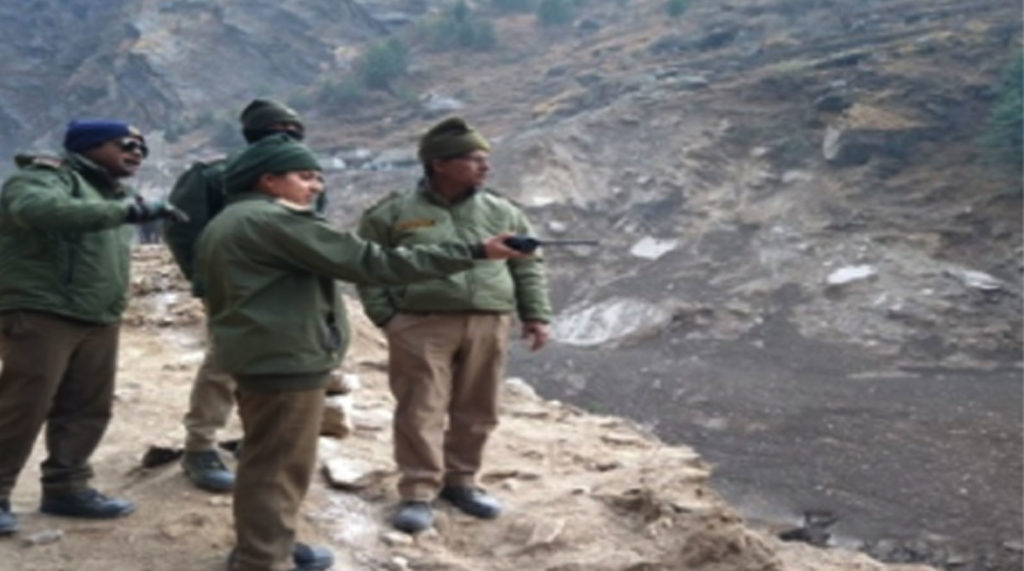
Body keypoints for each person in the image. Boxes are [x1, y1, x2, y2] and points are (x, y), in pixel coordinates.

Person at [195, 134, 526, 571]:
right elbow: (372, 263)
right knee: (279, 466)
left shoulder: (231, 219)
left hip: (261, 354)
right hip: (285, 359)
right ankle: (262, 559)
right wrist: (474, 252)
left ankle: (268, 544)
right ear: (268, 180)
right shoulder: (275, 222)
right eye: (305, 177)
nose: (315, 187)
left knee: (267, 458)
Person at [356, 117, 553, 534]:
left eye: (485, 159)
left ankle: (462, 482)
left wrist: (535, 315)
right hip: (420, 325)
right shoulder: (393, 214)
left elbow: (528, 266)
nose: (486, 167)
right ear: (439, 164)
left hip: (488, 322)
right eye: (474, 159)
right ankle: (418, 492)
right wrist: (388, 317)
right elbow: (368, 267)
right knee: (420, 408)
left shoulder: (501, 211)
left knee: (478, 408)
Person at [0, 120, 179, 535]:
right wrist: (125, 211)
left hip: (99, 314)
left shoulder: (112, 193)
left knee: (87, 407)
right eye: (127, 144)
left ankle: (67, 487)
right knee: (23, 405)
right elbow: (36, 211)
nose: (137, 153)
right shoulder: (44, 178)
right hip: (43, 310)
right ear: (89, 146)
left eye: (143, 149)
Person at [167, 99, 306, 494]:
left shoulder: (302, 175)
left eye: (292, 131)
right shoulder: (213, 175)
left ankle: (256, 437)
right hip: (235, 287)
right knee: (225, 362)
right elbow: (183, 230)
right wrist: (206, 279)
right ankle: (200, 446)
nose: (286, 137)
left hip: (285, 288)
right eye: (276, 130)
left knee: (277, 366)